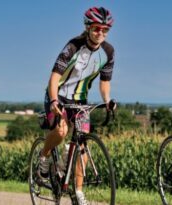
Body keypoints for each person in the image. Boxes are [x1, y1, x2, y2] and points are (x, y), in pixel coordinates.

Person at [39, 7, 116, 205]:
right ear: (88, 27)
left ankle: (78, 191)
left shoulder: (108, 52)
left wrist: (107, 100)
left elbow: (104, 82)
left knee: (82, 148)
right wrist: (55, 101)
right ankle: (44, 157)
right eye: (97, 28)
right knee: (61, 130)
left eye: (105, 30)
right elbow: (55, 77)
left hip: (80, 101)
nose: (101, 33)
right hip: (58, 95)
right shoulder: (73, 46)